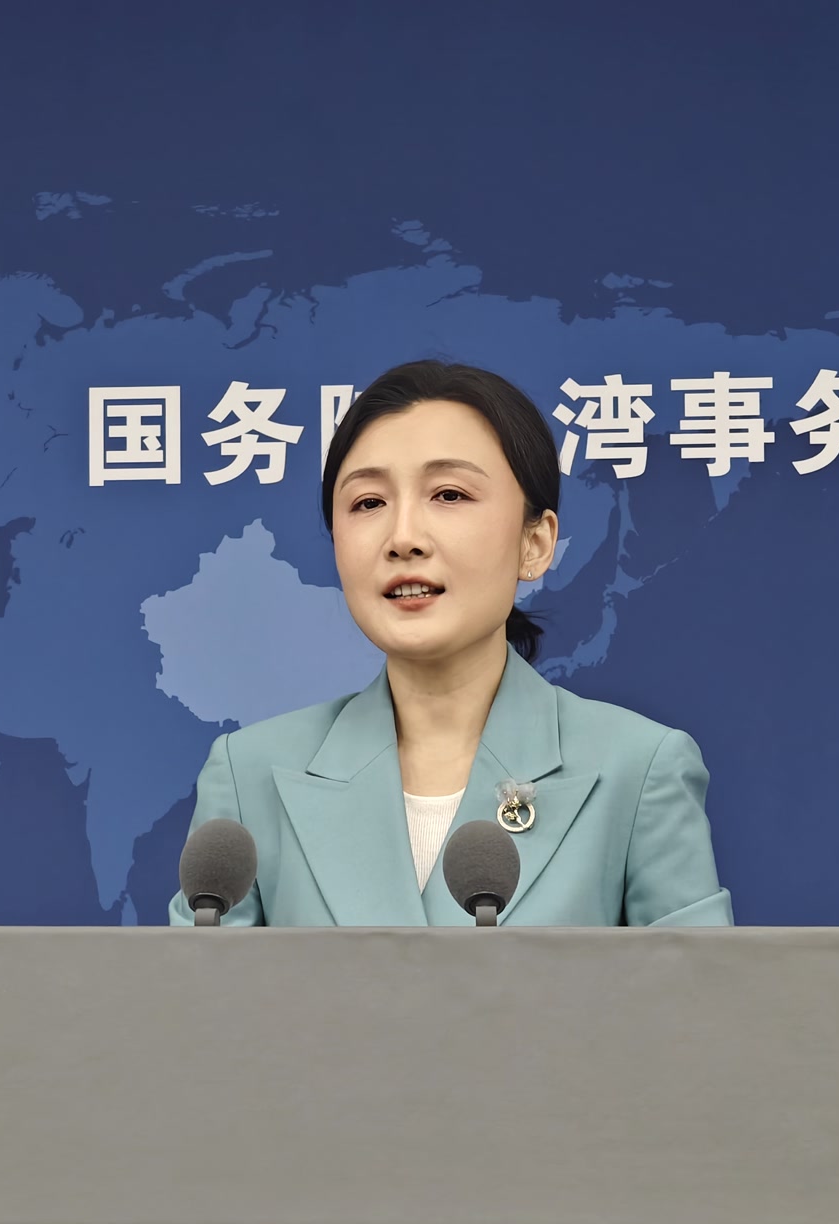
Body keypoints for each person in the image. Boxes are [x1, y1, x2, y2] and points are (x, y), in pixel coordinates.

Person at [168, 359, 733, 927]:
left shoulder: (638, 770)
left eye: (449, 494)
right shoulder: (249, 775)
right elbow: (193, 986)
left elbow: (697, 985)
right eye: (368, 503)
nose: (403, 538)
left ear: (535, 543)